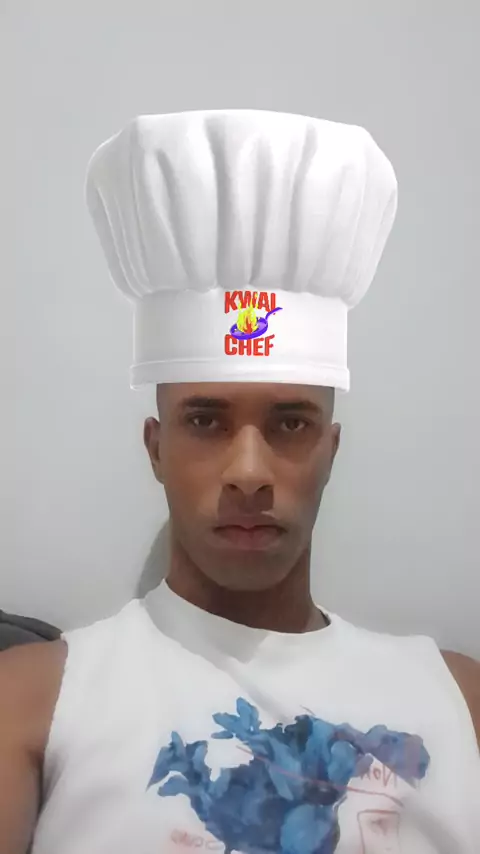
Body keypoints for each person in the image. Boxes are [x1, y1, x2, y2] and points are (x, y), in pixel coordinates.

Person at [0, 110, 478, 854]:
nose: (249, 473)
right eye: (205, 420)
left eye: (290, 423)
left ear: (330, 450)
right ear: (156, 448)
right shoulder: (33, 697)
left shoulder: (460, 700)